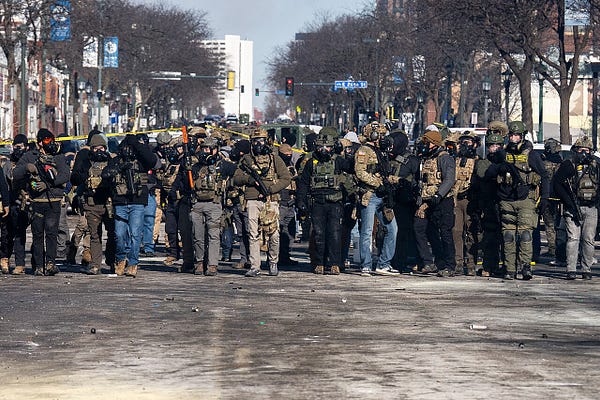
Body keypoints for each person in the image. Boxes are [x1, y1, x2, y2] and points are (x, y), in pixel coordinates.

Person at [484, 121, 549, 280]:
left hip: (526, 199)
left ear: (522, 136)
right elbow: (489, 173)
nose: (513, 138)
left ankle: (526, 267)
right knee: (508, 236)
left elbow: (544, 176)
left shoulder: (531, 155)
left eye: (516, 135)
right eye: (511, 135)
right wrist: (500, 166)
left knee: (525, 235)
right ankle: (510, 268)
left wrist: (545, 198)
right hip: (506, 200)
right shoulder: (503, 153)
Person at [232, 128, 291, 277]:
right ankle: (255, 266)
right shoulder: (246, 159)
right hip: (252, 200)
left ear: (267, 142)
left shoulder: (274, 159)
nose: (259, 144)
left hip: (271, 200)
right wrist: (249, 179)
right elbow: (236, 179)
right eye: (255, 141)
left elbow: (286, 178)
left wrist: (271, 189)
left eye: (262, 141)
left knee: (274, 233)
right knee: (253, 234)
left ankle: (273, 262)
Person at [13, 129, 70, 275]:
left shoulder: (57, 157)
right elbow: (15, 173)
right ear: (39, 143)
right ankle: (39, 266)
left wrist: (49, 184)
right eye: (46, 140)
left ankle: (50, 263)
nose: (50, 143)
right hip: (36, 201)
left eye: (52, 140)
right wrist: (26, 168)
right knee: (37, 235)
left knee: (51, 233)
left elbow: (65, 175)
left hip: (53, 200)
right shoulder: (30, 156)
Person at [102, 134, 159, 277]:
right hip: (120, 202)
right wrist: (120, 167)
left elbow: (152, 161)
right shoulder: (116, 161)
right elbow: (106, 174)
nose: (128, 151)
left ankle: (133, 263)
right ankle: (121, 259)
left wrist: (137, 145)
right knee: (119, 234)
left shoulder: (141, 160)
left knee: (135, 234)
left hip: (137, 202)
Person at [296, 128, 345, 275]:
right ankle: (319, 263)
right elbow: (303, 183)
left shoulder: (338, 161)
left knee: (335, 233)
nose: (324, 150)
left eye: (327, 147)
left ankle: (334, 263)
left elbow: (351, 170)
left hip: (335, 202)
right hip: (317, 202)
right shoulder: (311, 163)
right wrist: (301, 201)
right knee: (319, 234)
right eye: (320, 147)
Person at [354, 122, 399, 276]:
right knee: (367, 231)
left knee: (392, 229)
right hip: (370, 195)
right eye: (381, 135)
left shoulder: (381, 152)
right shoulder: (364, 151)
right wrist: (376, 184)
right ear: (373, 135)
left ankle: (384, 264)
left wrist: (397, 181)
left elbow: (384, 174)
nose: (383, 138)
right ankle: (366, 265)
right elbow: (360, 172)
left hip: (383, 196)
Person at [189, 137, 236, 275]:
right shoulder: (195, 167)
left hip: (214, 203)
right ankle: (199, 262)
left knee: (214, 235)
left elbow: (238, 174)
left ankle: (212, 264)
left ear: (216, 150)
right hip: (197, 204)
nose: (206, 152)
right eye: (204, 149)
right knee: (197, 236)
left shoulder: (223, 165)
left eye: (209, 149)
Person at [70, 133, 116, 275]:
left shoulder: (112, 161)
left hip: (108, 203)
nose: (99, 151)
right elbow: (75, 179)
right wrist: (83, 176)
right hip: (92, 203)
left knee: (113, 234)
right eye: (96, 148)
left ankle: (111, 260)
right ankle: (96, 264)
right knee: (95, 235)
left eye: (102, 148)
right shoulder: (86, 162)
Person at [413, 128, 457, 277]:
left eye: (427, 142)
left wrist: (439, 194)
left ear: (435, 144)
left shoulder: (445, 158)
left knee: (445, 233)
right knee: (420, 228)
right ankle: (429, 261)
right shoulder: (426, 159)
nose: (424, 145)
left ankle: (450, 265)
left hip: (443, 201)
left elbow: (449, 179)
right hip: (427, 201)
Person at [552, 136, 597, 280]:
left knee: (588, 240)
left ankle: (586, 269)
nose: (583, 153)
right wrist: (569, 203)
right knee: (573, 239)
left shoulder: (596, 165)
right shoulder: (569, 165)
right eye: (580, 150)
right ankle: (571, 269)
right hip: (572, 208)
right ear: (575, 150)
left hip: (591, 207)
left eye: (587, 150)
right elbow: (557, 184)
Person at [472, 126, 506, 277]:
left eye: (498, 146)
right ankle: (489, 266)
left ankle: (507, 266)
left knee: (507, 238)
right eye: (492, 146)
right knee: (490, 237)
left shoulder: (507, 161)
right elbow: (483, 174)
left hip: (504, 202)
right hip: (489, 203)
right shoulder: (483, 163)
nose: (495, 148)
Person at [451, 131, 479, 275]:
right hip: (456, 200)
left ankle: (471, 263)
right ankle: (458, 263)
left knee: (471, 232)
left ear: (475, 144)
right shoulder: (454, 161)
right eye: (463, 142)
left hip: (471, 201)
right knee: (456, 232)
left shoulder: (478, 161)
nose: (465, 145)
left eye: (468, 142)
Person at [277, 143, 298, 266]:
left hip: (290, 202)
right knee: (278, 231)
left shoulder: (290, 165)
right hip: (281, 201)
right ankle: (276, 256)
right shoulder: (277, 166)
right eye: (286, 154)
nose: (288, 156)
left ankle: (285, 255)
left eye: (290, 154)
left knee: (290, 232)